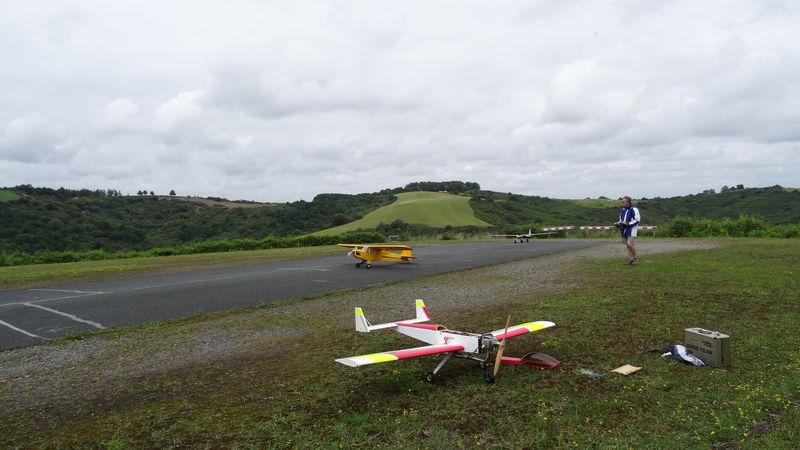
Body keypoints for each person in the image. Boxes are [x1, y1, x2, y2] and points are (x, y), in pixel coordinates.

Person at [617, 196, 640, 265]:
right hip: (623, 230)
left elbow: (637, 220)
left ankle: (635, 258)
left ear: (627, 202)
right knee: (627, 245)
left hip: (631, 230)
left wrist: (627, 224)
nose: (622, 203)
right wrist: (618, 224)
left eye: (623, 202)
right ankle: (631, 259)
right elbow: (621, 220)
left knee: (630, 244)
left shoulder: (634, 209)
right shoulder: (623, 211)